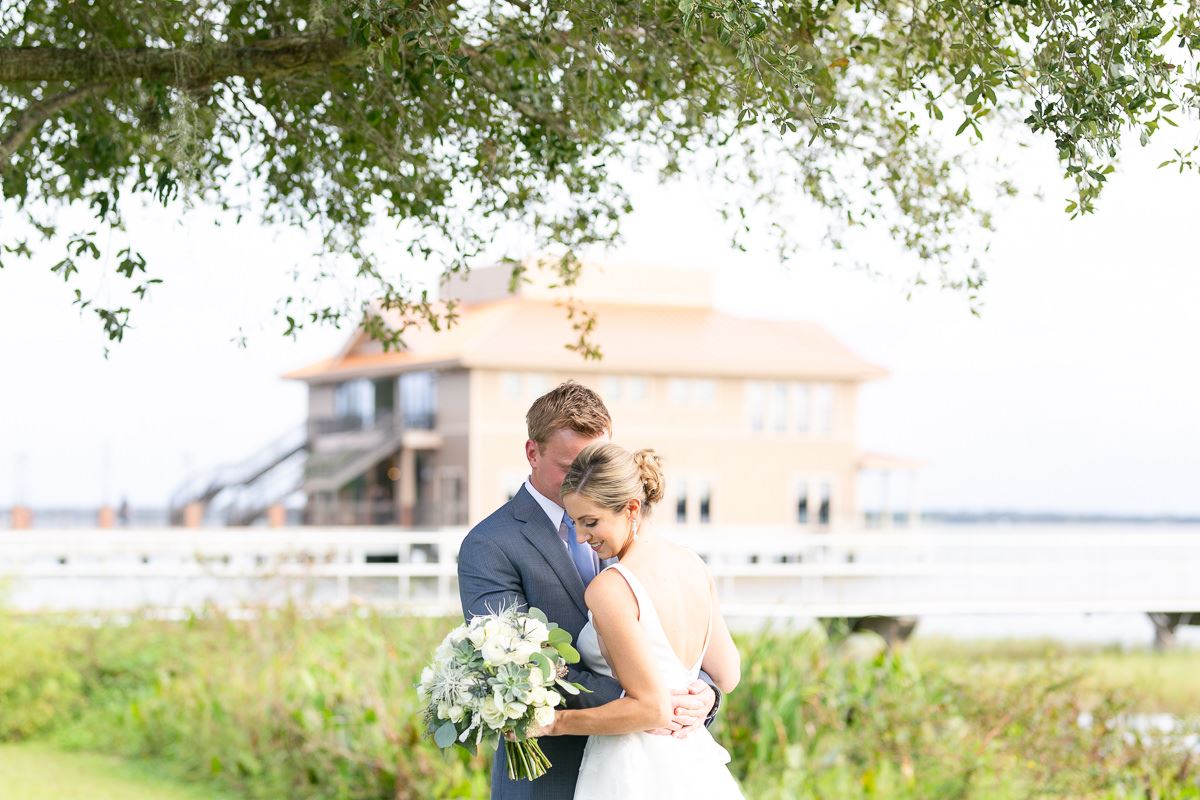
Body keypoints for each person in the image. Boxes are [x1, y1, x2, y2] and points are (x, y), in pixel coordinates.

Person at [457, 382, 720, 799]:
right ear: (532, 453)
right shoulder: (490, 544)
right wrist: (643, 701)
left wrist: (703, 692)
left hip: (654, 767)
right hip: (548, 774)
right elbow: (515, 667)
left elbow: (679, 637)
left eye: (598, 461)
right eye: (570, 466)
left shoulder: (631, 529)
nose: (586, 477)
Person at [536, 443, 743, 799]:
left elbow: (651, 708)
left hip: (633, 770)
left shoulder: (611, 588)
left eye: (591, 522)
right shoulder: (693, 564)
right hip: (693, 762)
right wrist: (702, 696)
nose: (582, 537)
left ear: (631, 508)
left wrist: (555, 723)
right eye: (575, 523)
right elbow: (727, 675)